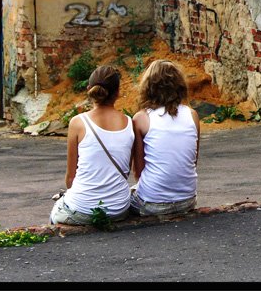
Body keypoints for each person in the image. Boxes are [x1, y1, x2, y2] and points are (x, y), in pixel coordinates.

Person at [49, 65, 135, 225]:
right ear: (117, 93)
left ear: (89, 89)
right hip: (119, 209)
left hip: (82, 210)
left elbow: (70, 177)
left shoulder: (78, 122)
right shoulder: (129, 123)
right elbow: (126, 170)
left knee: (56, 212)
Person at [130, 59, 200, 217]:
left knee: (123, 199)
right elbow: (193, 160)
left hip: (153, 203)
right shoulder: (192, 115)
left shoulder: (141, 118)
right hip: (187, 200)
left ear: (148, 87)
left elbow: (138, 172)